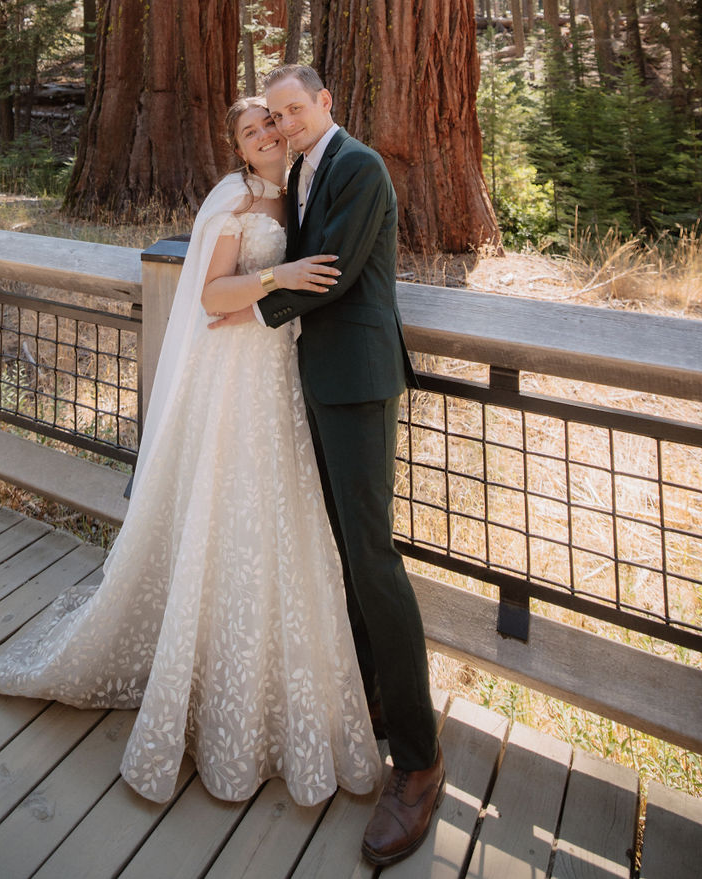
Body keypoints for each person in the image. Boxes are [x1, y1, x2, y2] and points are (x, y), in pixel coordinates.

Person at [0, 97, 381, 808]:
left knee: (280, 516)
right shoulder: (235, 196)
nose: (267, 135)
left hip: (283, 369)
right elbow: (210, 293)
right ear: (238, 147)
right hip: (236, 373)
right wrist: (276, 278)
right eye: (253, 131)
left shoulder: (301, 193)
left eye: (273, 124)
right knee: (230, 504)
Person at [210, 64, 443, 867]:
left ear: (326, 103)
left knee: (374, 561)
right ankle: (373, 699)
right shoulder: (303, 171)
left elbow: (332, 273)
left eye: (296, 108)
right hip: (315, 381)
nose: (286, 123)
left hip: (360, 385)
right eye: (273, 114)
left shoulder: (360, 166)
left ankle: (419, 759)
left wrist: (246, 306)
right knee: (343, 553)